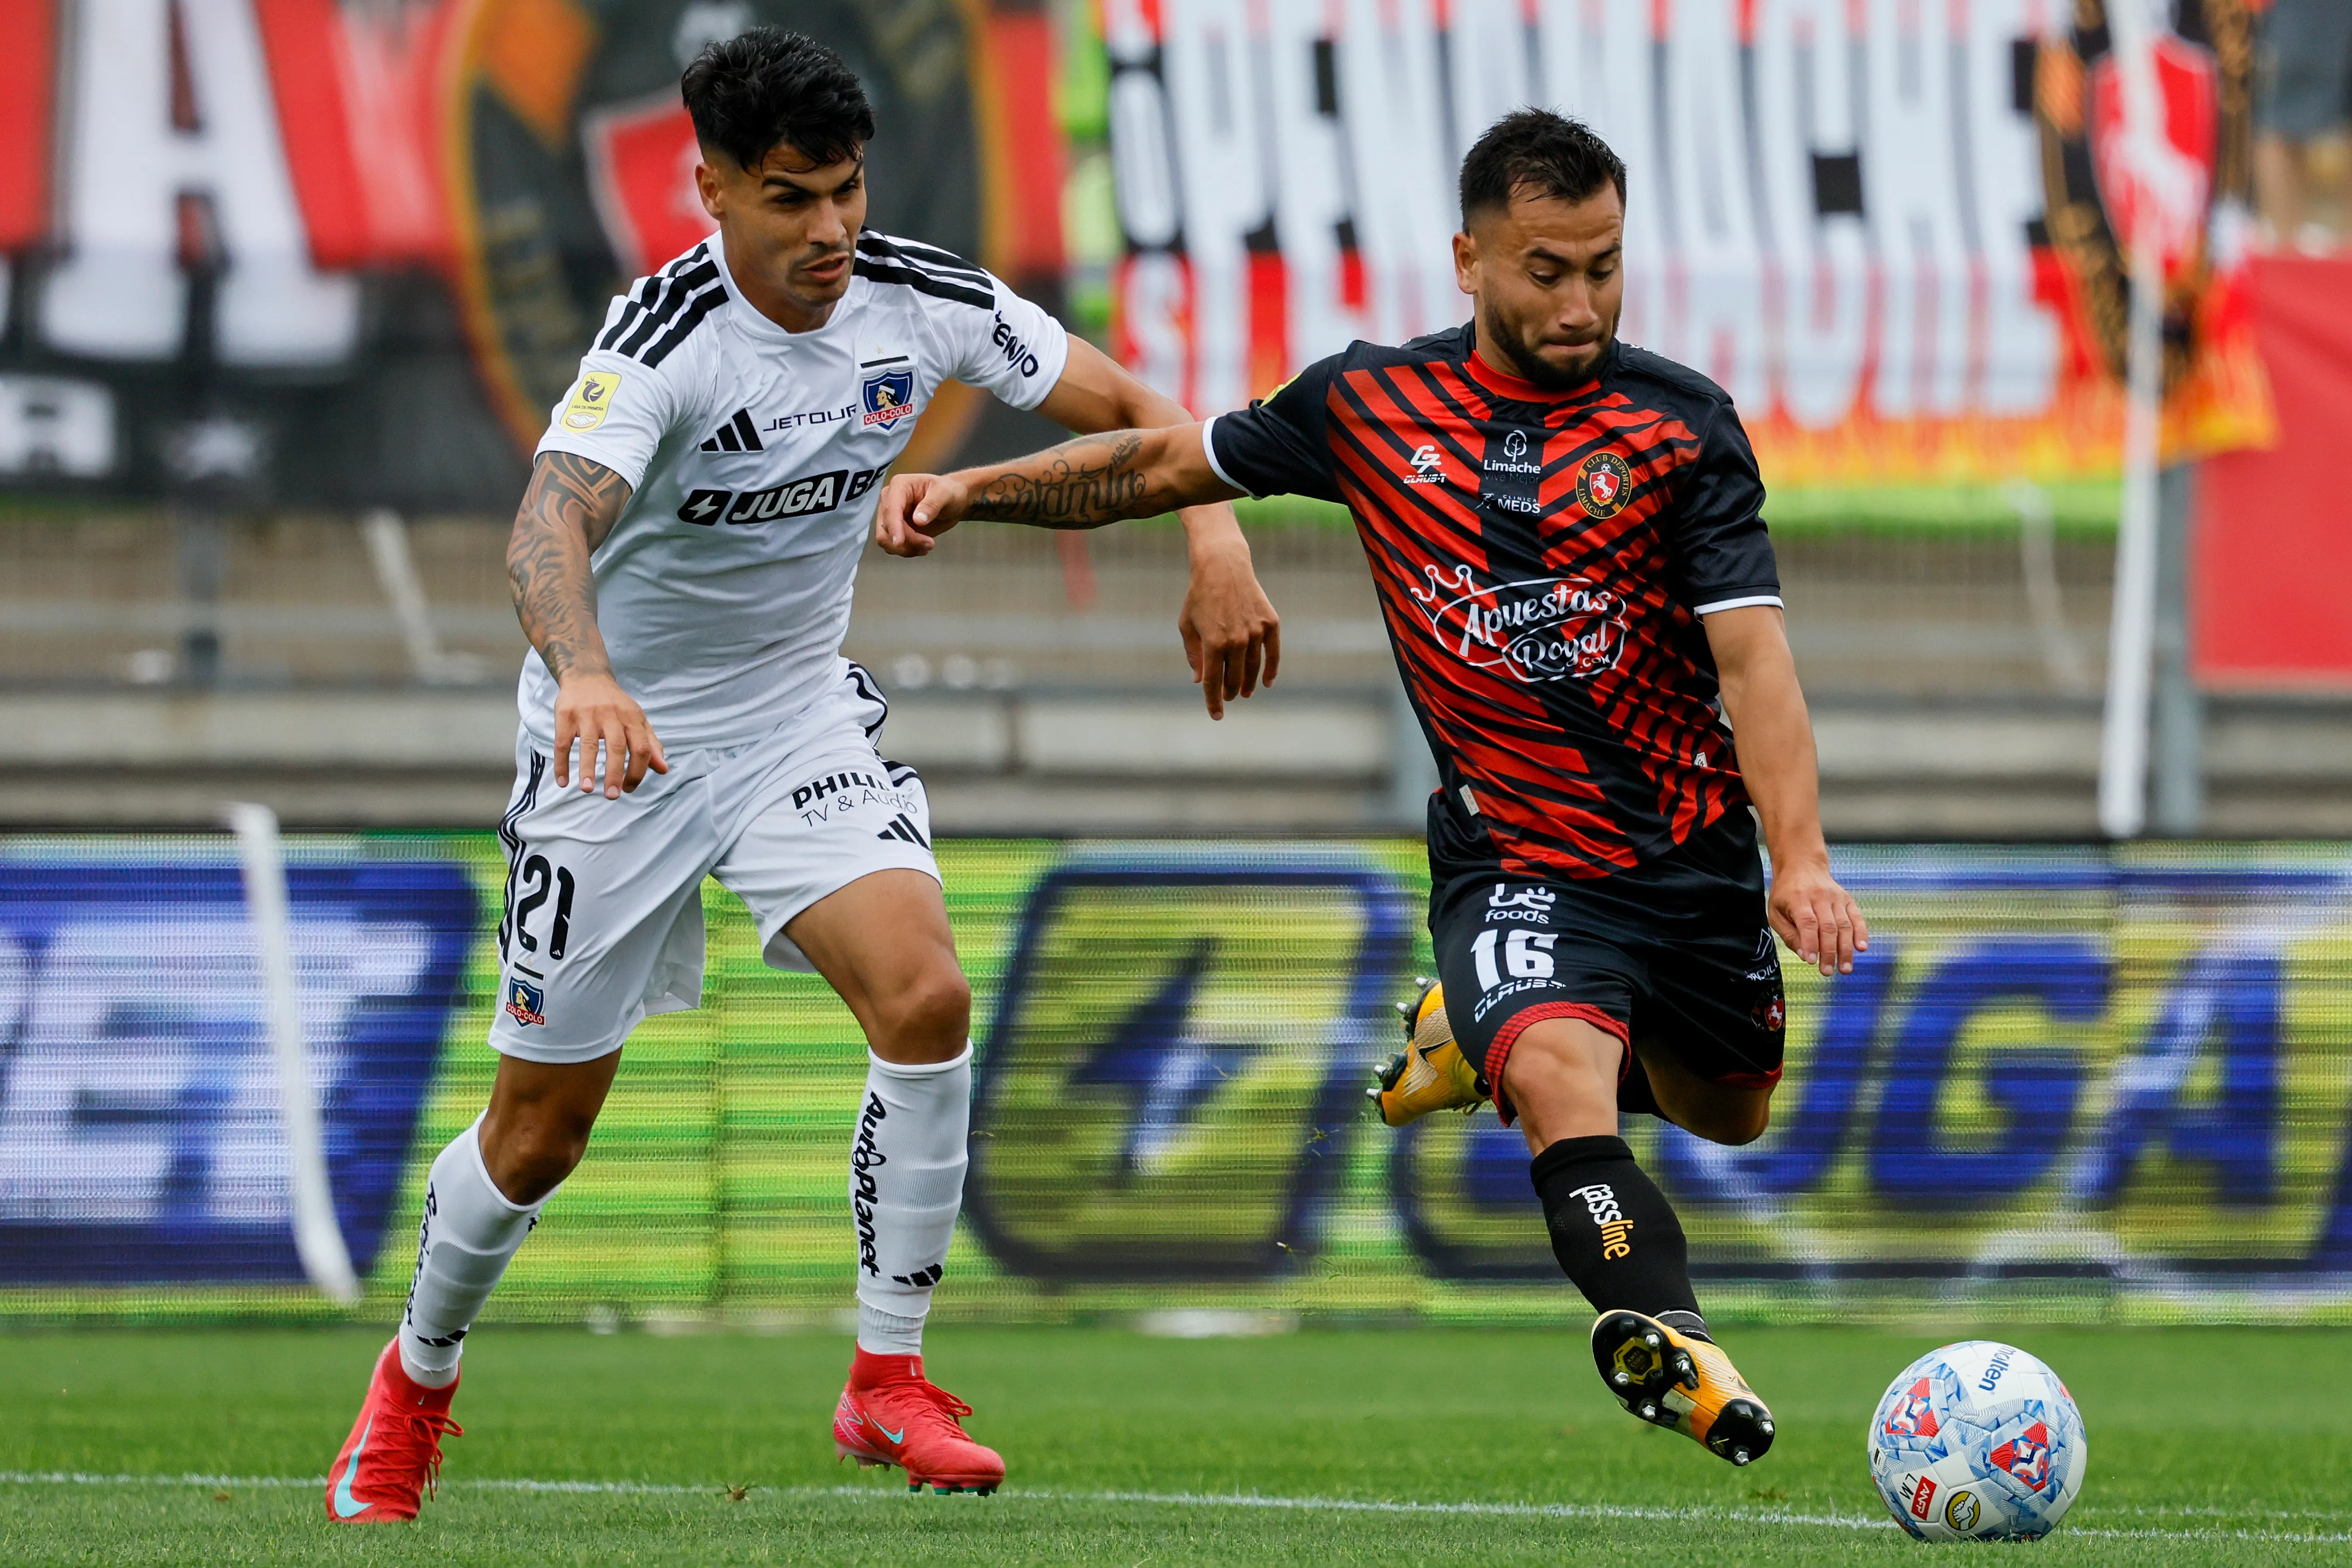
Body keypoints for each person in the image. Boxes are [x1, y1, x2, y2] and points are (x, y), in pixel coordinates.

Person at [323, 27, 1280, 1522]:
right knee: (536, 1139)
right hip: (613, 744)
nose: (829, 230)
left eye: (843, 192)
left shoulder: (922, 295)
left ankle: (884, 1378)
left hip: (791, 722)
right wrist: (585, 670)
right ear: (708, 185)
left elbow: (1141, 413)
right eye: (788, 198)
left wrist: (1214, 538)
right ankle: (415, 1378)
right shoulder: (664, 339)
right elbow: (541, 531)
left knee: (929, 995)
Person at [873, 109, 1865, 1469]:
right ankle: (1678, 1343)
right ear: (1469, 259)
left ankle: (1471, 1034)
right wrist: (974, 485)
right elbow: (1163, 461)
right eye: (1546, 270)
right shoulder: (1371, 404)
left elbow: (1753, 660)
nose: (1579, 302)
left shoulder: (1680, 428)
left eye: (1603, 267)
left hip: (1686, 858)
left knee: (1731, 1106)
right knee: (1565, 1082)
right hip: (1515, 856)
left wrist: (1799, 860)